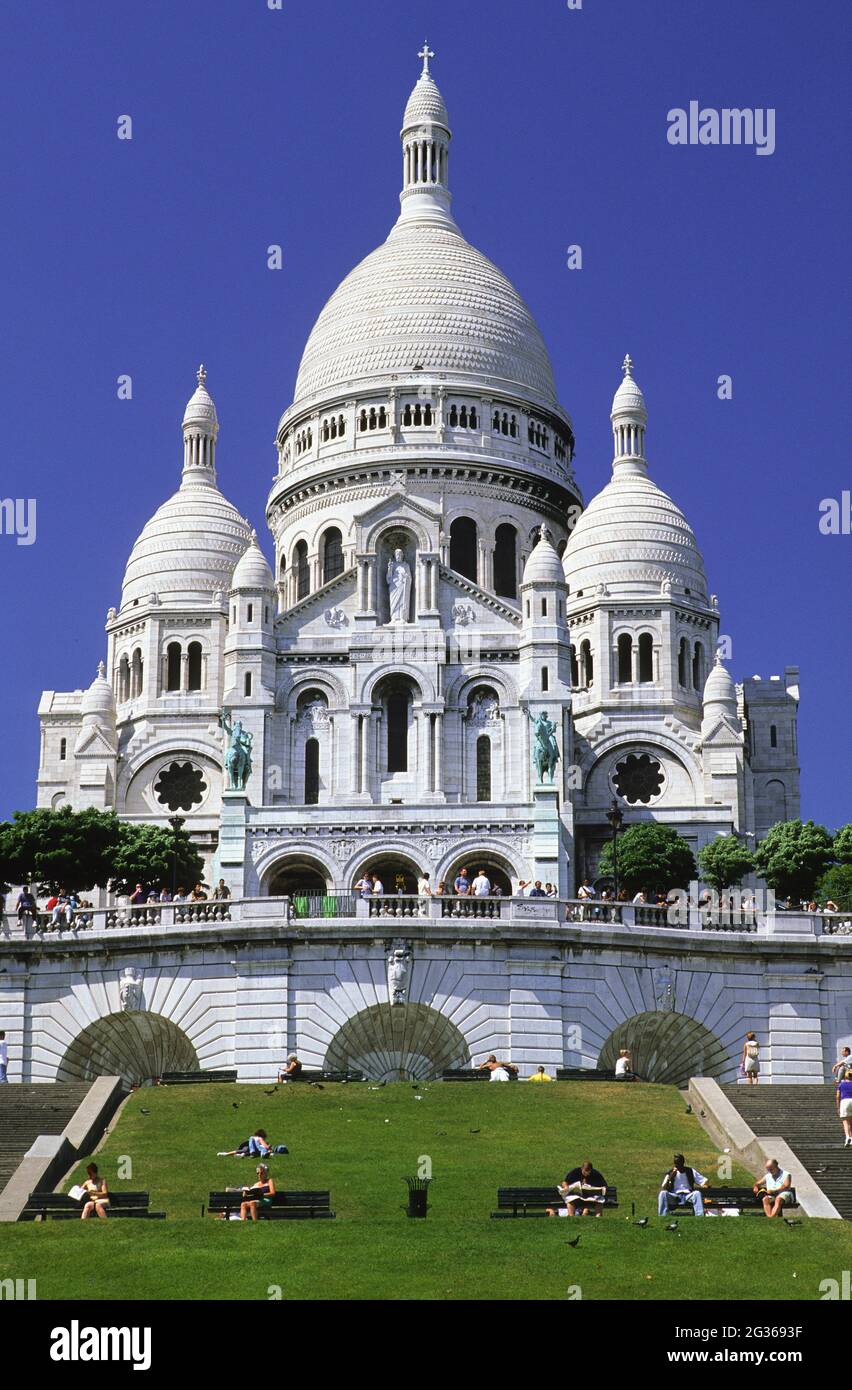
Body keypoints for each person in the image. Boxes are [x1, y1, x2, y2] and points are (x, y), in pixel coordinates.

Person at [837, 1068, 852, 1147]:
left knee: (845, 1122)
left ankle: (847, 1137)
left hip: (845, 1101)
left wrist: (838, 1107)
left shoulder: (841, 1084)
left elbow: (838, 1096)